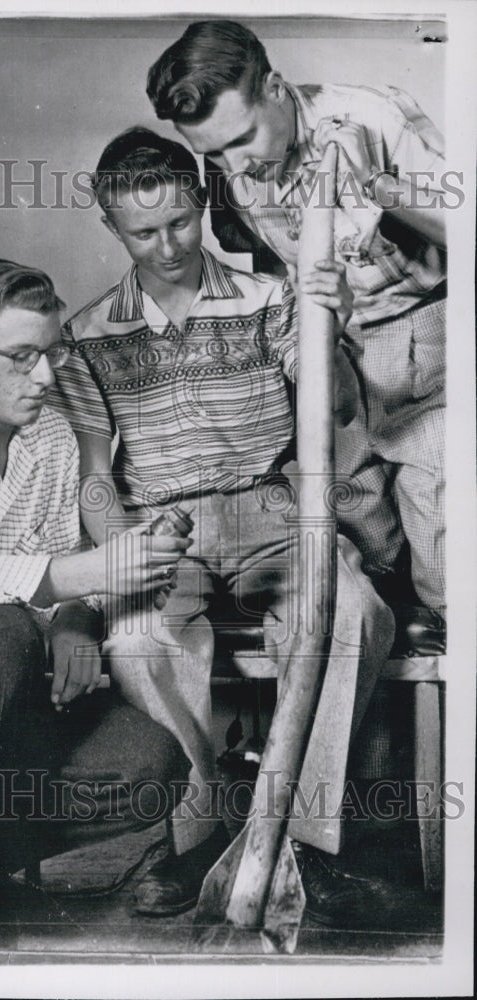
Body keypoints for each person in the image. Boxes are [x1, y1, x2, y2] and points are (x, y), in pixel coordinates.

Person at [49, 127, 395, 924]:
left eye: (180, 220)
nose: (167, 244)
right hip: (165, 521)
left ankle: (299, 841)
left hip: (275, 506)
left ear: (203, 201)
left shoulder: (272, 299)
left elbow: (336, 410)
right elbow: (96, 478)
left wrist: (329, 329)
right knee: (137, 639)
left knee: (353, 614)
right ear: (110, 225)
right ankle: (196, 839)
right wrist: (122, 551)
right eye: (144, 231)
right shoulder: (88, 336)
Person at [0, 259, 191, 946]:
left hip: (13, 700)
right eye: (22, 357)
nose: (46, 376)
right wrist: (77, 579)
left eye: (53, 352)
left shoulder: (54, 435)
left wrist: (76, 619)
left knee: (152, 765)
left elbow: (68, 573)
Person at [146, 19, 447, 620]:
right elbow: (268, 261)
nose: (235, 164)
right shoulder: (231, 164)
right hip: (330, 342)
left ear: (276, 88)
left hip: (424, 333)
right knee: (362, 524)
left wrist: (380, 188)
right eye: (215, 153)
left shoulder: (371, 116)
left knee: (440, 523)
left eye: (244, 137)